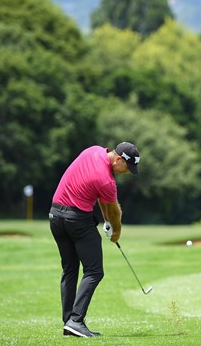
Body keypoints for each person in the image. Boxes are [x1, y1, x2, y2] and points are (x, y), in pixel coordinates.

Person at [49, 142, 140, 338]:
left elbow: (101, 197)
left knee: (70, 268)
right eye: (127, 168)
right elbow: (114, 209)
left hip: (55, 216)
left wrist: (106, 221)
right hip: (77, 220)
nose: (126, 173)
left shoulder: (92, 150)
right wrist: (116, 230)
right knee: (94, 271)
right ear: (118, 160)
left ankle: (69, 323)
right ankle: (76, 321)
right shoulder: (107, 181)